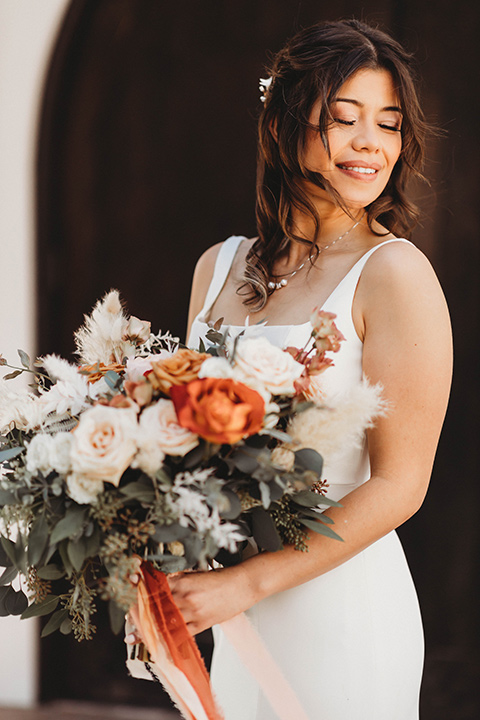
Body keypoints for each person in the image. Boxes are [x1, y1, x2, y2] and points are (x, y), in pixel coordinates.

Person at [135, 19, 453, 719]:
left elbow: (402, 485)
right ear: (285, 127)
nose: (371, 142)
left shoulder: (395, 273)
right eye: (344, 119)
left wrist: (247, 583)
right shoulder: (217, 266)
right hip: (230, 619)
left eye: (389, 124)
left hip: (341, 609)